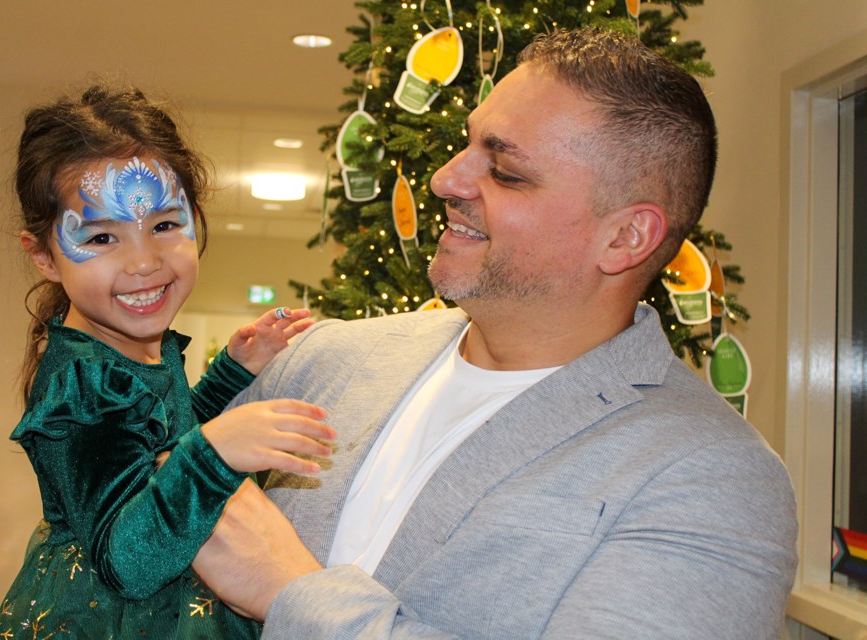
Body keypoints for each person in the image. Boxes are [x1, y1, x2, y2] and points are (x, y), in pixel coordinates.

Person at [193, 27, 798, 639]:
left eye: (505, 171)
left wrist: (293, 593)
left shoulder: (712, 476)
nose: (445, 181)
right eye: (467, 145)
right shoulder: (323, 358)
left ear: (624, 238)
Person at [0, 85, 335, 640]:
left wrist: (230, 371)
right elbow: (128, 563)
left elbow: (154, 439)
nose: (143, 262)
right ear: (44, 256)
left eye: (164, 225)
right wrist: (216, 452)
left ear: (195, 216)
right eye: (102, 237)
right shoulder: (81, 383)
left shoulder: (130, 349)